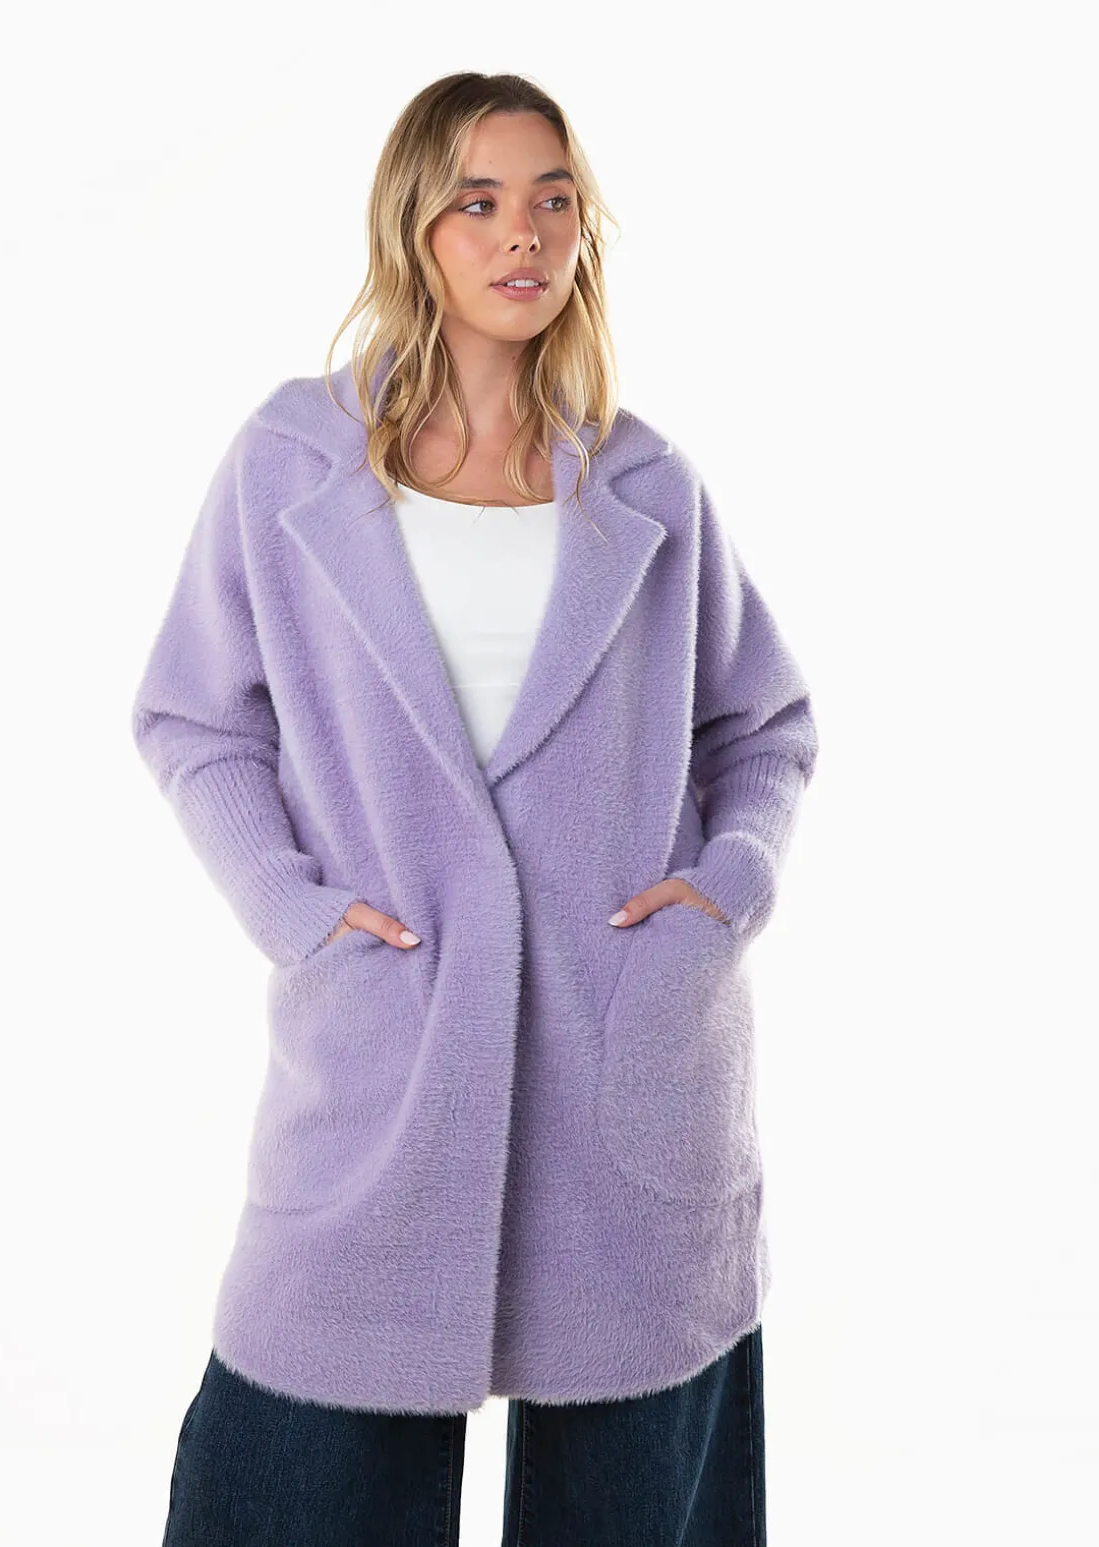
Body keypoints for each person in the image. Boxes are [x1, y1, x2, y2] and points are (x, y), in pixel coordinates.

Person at [136, 70, 818, 1547]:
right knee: (290, 1480)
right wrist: (296, 914)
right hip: (383, 1052)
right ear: (414, 227)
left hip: (633, 1064)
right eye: (481, 201)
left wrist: (721, 897)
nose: (525, 234)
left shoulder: (648, 488)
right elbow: (196, 716)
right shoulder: (292, 463)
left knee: (636, 1498)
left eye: (554, 201)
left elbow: (763, 725)